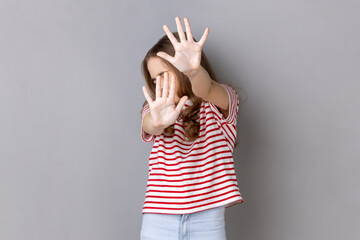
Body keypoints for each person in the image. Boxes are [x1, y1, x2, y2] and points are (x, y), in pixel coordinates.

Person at [139, 16, 244, 240]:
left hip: (207, 219)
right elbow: (149, 124)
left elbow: (206, 89)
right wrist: (157, 122)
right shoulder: (155, 108)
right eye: (154, 80)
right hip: (159, 218)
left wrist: (194, 73)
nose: (159, 85)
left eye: (163, 74)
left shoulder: (217, 104)